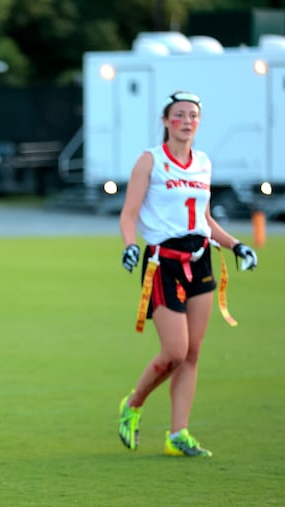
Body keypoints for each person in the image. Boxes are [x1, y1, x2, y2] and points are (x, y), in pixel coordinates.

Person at [118, 91, 258, 458]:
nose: (186, 121)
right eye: (178, 115)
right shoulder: (150, 161)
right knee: (174, 351)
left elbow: (206, 219)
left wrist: (237, 244)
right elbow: (129, 213)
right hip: (162, 262)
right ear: (165, 121)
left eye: (192, 115)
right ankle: (132, 404)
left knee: (192, 353)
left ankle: (178, 434)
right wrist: (130, 244)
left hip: (201, 260)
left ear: (199, 121)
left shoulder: (204, 163)